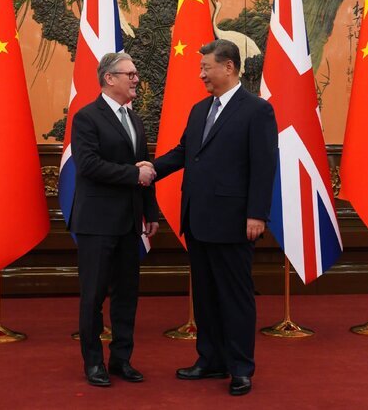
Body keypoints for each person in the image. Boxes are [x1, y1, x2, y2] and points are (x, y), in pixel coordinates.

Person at [139, 39, 278, 396]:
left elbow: (264, 166)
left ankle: (240, 368)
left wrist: (257, 214)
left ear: (229, 67)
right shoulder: (200, 109)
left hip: (234, 222)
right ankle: (210, 359)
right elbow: (184, 152)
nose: (201, 74)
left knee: (235, 297)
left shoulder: (256, 110)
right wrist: (151, 168)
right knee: (204, 296)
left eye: (206, 67)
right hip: (198, 219)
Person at [70, 52, 159, 387]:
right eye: (130, 74)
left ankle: (122, 359)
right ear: (109, 78)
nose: (136, 78)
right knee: (93, 296)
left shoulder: (134, 119)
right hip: (96, 223)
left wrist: (150, 211)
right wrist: (133, 174)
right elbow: (89, 165)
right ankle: (94, 363)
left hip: (129, 223)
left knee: (126, 296)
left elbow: (145, 166)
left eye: (136, 73)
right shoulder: (86, 117)